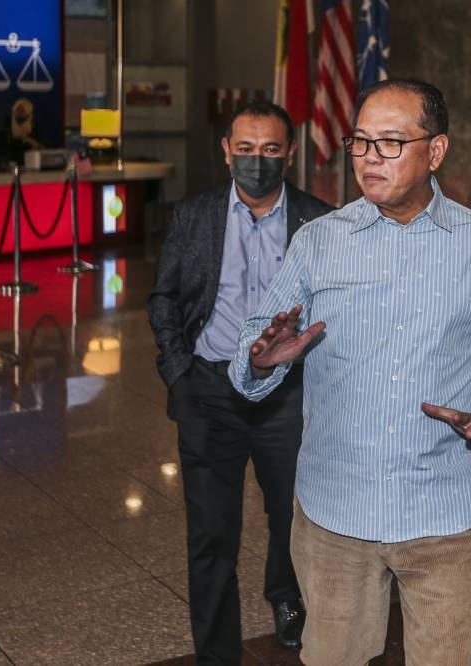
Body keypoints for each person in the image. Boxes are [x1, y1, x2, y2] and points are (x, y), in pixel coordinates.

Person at [229, 79, 471, 666]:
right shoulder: (318, 241)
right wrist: (258, 357)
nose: (370, 158)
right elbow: (257, 338)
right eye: (361, 142)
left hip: (443, 510)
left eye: (392, 143)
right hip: (334, 513)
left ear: (437, 151)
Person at [146, 101, 332, 665]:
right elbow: (164, 298)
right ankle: (217, 655)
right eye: (246, 150)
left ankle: (285, 595)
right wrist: (179, 374)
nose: (258, 161)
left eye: (271, 150)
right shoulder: (195, 215)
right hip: (211, 391)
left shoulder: (319, 222)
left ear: (290, 153)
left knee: (292, 516)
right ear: (226, 151)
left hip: (287, 395)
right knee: (211, 535)